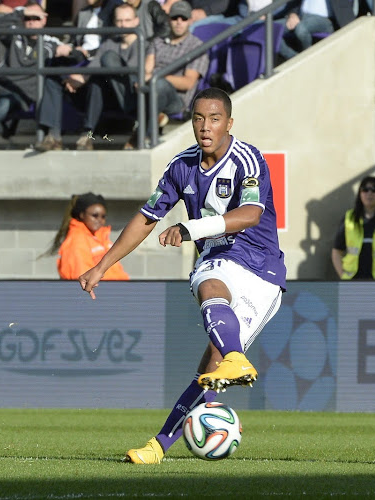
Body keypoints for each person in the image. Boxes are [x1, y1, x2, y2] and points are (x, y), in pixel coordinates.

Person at [79, 87, 286, 464]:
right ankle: (158, 447)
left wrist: (190, 228)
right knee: (207, 284)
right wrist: (102, 265)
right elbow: (146, 219)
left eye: (215, 119)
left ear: (229, 124)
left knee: (211, 369)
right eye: (198, 119)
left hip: (263, 270)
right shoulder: (181, 166)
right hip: (219, 259)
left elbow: (252, 214)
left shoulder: (248, 159)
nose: (205, 127)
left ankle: (232, 360)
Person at [35, 2, 143, 151]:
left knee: (98, 77)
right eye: (119, 21)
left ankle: (87, 134)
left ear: (136, 21)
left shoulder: (144, 45)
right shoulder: (109, 42)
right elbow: (96, 63)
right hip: (101, 95)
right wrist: (79, 78)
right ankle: (53, 136)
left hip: (127, 99)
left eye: (127, 20)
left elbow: (132, 74)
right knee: (54, 78)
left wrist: (84, 78)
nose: (123, 25)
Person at [0, 2, 71, 148]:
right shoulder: (13, 34)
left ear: (44, 20)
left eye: (36, 18)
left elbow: (75, 53)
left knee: (3, 105)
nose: (31, 21)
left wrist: (70, 51)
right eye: (28, 18)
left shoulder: (51, 43)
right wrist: (20, 13)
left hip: (19, 96)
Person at [125, 0, 208, 148]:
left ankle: (142, 135)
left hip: (176, 100)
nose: (178, 22)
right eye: (175, 18)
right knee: (128, 75)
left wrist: (157, 76)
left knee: (160, 84)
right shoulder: (158, 42)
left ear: (189, 21)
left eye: (183, 18)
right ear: (169, 19)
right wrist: (144, 79)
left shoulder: (197, 46)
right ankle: (151, 120)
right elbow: (147, 69)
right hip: (151, 90)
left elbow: (188, 83)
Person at [43, 192, 130, 280]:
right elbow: (82, 279)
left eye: (103, 216)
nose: (99, 220)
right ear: (82, 215)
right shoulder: (76, 241)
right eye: (95, 216)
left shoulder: (103, 239)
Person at [278, 0, 355, 60]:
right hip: (301, 16)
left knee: (301, 29)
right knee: (270, 29)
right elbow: (294, 3)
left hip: (324, 20)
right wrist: (293, 14)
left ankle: (304, 58)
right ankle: (295, 58)